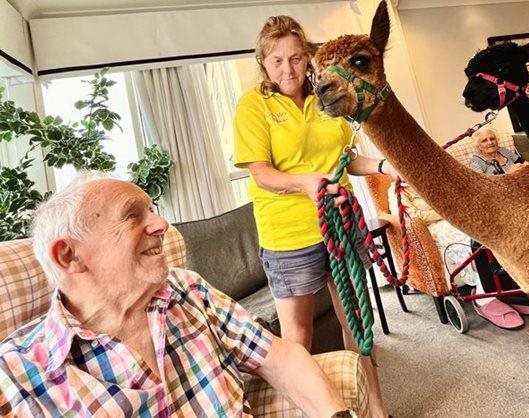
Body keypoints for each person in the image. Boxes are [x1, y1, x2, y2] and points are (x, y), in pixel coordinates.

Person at [0, 177, 358, 417]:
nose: (161, 224)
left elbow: (278, 356)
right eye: (132, 215)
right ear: (69, 256)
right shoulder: (17, 374)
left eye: (152, 210)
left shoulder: (187, 290)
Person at [233, 15, 396, 417]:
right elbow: (261, 172)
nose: (287, 69)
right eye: (276, 61)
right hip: (289, 236)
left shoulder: (328, 98)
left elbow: (346, 159)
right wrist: (307, 184)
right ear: (263, 63)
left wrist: (384, 166)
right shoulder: (255, 105)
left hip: (339, 227)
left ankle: (377, 410)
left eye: (295, 58)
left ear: (308, 58)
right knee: (298, 339)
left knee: (357, 327)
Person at [467, 128, 529, 330]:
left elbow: (522, 165)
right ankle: (486, 297)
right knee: (485, 242)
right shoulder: (476, 162)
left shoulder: (506, 152)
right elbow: (480, 188)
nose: (490, 142)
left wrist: (524, 170)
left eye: (492, 138)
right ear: (478, 145)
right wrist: (509, 176)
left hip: (520, 201)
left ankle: (515, 290)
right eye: (485, 141)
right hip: (495, 207)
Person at [388, 182, 479, 288]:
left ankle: (495, 275)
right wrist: (445, 212)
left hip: (454, 217)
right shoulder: (396, 190)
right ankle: (482, 283)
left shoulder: (427, 178)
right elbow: (411, 217)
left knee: (478, 227)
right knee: (466, 236)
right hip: (430, 228)